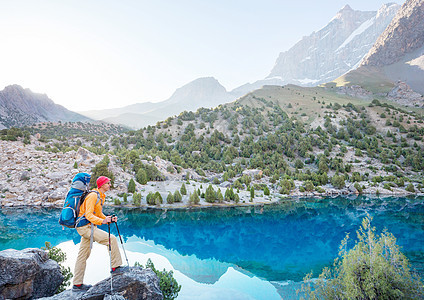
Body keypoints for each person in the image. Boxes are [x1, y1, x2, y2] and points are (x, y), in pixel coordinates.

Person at [72, 176, 127, 291]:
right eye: (108, 183)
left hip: (88, 227)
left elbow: (98, 213)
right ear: (101, 185)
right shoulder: (93, 196)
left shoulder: (101, 196)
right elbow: (88, 215)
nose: (110, 185)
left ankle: (77, 284)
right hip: (85, 227)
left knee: (83, 255)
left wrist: (108, 218)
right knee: (111, 239)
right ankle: (115, 268)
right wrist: (103, 221)